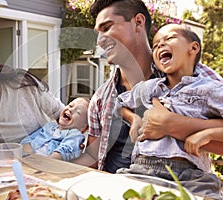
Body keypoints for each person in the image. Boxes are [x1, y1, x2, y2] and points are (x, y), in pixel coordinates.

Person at [71, 0, 223, 174]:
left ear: (138, 22)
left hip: (178, 186)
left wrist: (173, 124)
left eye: (107, 28)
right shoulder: (100, 99)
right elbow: (93, 157)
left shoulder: (194, 75)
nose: (99, 41)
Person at [116, 23, 223, 199]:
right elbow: (119, 104)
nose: (160, 46)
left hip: (189, 175)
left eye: (169, 38)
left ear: (193, 48)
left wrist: (208, 134)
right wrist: (134, 119)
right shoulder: (149, 88)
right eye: (156, 45)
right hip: (141, 168)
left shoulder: (210, 89)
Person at [20, 97, 89, 161]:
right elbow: (28, 140)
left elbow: (63, 152)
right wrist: (29, 156)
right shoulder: (49, 126)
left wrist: (44, 163)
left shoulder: (75, 135)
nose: (70, 110)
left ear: (83, 127)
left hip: (47, 166)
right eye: (70, 105)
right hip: (28, 161)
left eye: (78, 112)